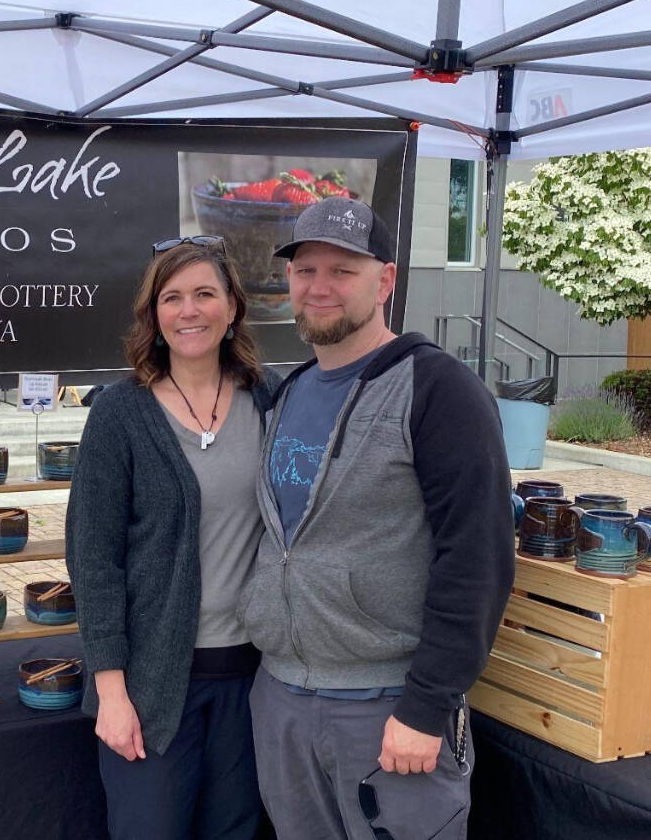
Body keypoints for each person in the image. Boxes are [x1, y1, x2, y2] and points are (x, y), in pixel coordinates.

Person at [239, 197, 514, 840]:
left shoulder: (437, 389)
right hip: (281, 698)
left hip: (388, 708)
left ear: (385, 280)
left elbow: (477, 557)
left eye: (343, 270)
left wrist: (424, 708)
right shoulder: (289, 393)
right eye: (306, 271)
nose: (319, 287)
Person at [66, 235, 282, 840]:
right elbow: (93, 556)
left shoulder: (271, 399)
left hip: (253, 679)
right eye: (173, 297)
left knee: (236, 829)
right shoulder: (119, 413)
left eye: (205, 294)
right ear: (155, 315)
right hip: (152, 684)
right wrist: (111, 690)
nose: (189, 311)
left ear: (232, 307)